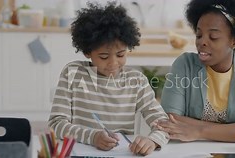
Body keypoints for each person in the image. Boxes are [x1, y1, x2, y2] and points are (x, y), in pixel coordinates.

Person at [48, 2, 169, 155]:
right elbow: (56, 124)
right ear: (87, 52)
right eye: (103, 56)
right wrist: (93, 136)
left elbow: (163, 123)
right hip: (80, 151)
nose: (113, 63)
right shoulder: (73, 73)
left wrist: (152, 140)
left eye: (120, 55)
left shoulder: (137, 81)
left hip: (120, 152)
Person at [155, 0, 235, 142]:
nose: (202, 42)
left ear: (234, 41)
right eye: (199, 35)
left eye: (213, 37)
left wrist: (199, 131)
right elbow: (170, 120)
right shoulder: (185, 65)